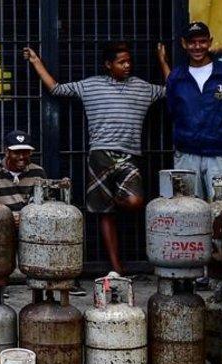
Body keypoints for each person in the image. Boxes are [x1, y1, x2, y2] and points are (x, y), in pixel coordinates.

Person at [24, 42, 166, 275]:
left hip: (129, 156)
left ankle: (114, 203)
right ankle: (116, 266)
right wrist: (36, 61)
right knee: (105, 213)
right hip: (99, 155)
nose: (127, 65)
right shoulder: (91, 86)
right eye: (122, 62)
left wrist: (163, 61)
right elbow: (57, 89)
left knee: (135, 201)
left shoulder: (142, 88)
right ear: (108, 65)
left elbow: (172, 90)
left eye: (129, 61)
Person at [159, 21, 222, 198]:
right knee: (188, 213)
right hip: (187, 157)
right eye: (192, 42)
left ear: (210, 42)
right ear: (184, 44)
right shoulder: (176, 78)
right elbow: (173, 111)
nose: (197, 47)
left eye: (202, 41)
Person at [0, 130, 47, 215]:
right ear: (7, 152)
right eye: (16, 152)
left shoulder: (38, 173)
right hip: (1, 224)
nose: (21, 157)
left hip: (30, 224)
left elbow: (44, 205)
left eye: (25, 152)